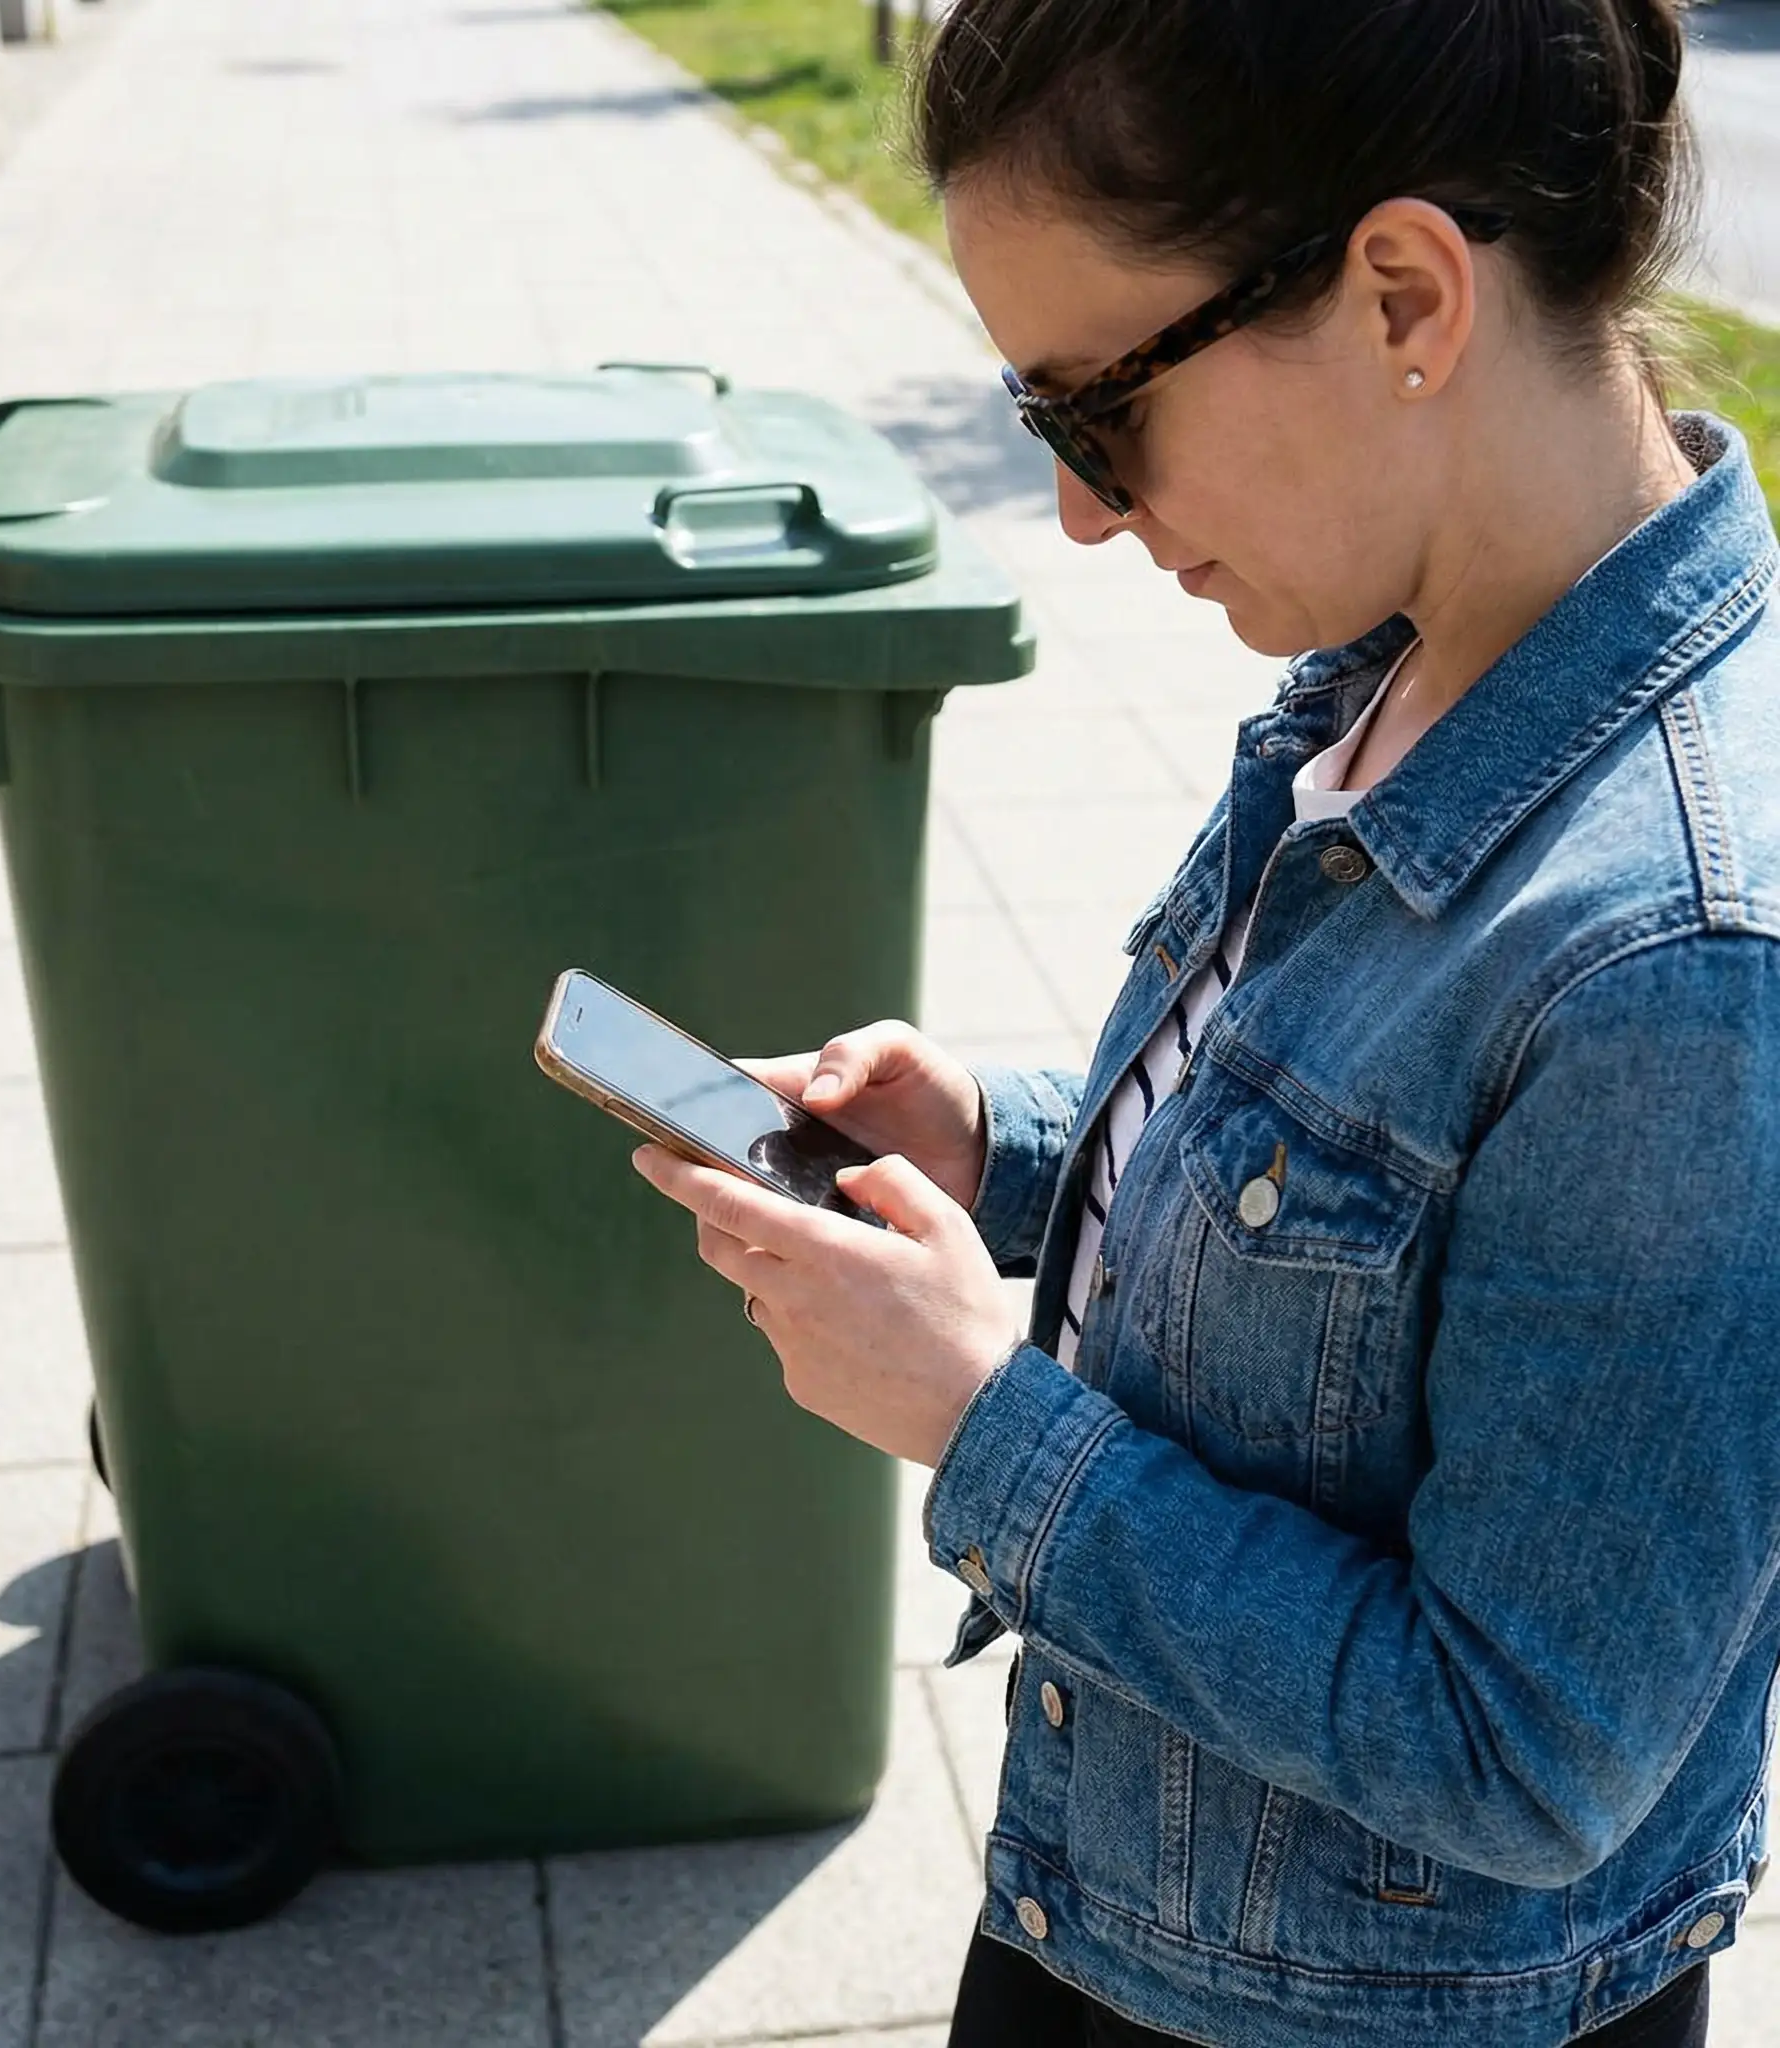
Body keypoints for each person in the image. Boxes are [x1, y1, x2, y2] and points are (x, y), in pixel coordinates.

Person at [629, 0, 1780, 2041]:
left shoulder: (1684, 967)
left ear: (1403, 294)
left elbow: (1521, 1748)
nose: (1077, 509)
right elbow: (1367, 1212)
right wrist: (1011, 1141)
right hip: (1138, 1927)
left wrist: (990, 1428)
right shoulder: (1402, 662)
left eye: (1097, 411)